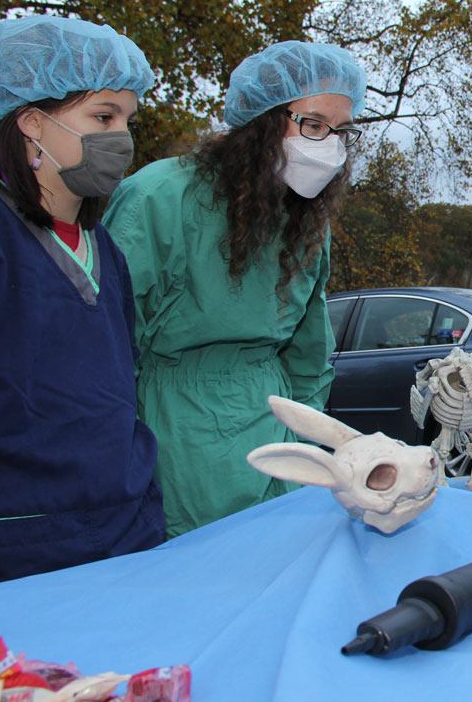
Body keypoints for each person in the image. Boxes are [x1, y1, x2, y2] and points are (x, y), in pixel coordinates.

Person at [103, 41, 366, 538]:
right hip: (175, 433)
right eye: (313, 125)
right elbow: (108, 348)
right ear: (262, 120)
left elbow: (309, 354)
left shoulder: (306, 221)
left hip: (276, 427)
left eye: (341, 132)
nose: (329, 146)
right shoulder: (159, 197)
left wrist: (305, 436)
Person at [0, 16, 163, 583]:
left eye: (129, 120)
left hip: (126, 524)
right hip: (18, 537)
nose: (123, 138)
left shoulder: (105, 248)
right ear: (32, 122)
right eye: (103, 117)